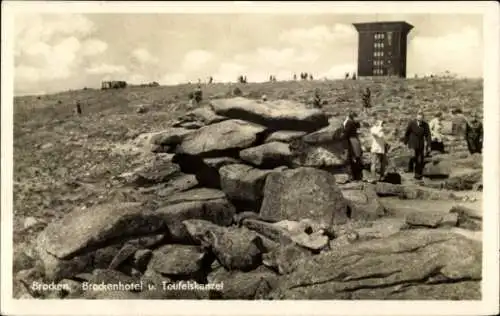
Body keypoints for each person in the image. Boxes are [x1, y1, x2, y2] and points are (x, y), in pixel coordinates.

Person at [403, 111, 432, 180]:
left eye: (421, 118)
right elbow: (407, 133)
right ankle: (410, 168)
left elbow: (428, 135)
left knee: (419, 160)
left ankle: (417, 174)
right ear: (416, 117)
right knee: (413, 157)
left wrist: (429, 145)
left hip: (420, 144)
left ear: (423, 118)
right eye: (418, 117)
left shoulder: (425, 125)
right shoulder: (412, 123)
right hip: (412, 143)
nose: (420, 119)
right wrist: (405, 142)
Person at [342, 112, 363, 181]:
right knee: (356, 158)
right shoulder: (350, 122)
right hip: (353, 141)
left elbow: (346, 133)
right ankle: (357, 176)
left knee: (354, 159)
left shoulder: (350, 122)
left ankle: (355, 176)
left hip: (352, 141)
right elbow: (347, 133)